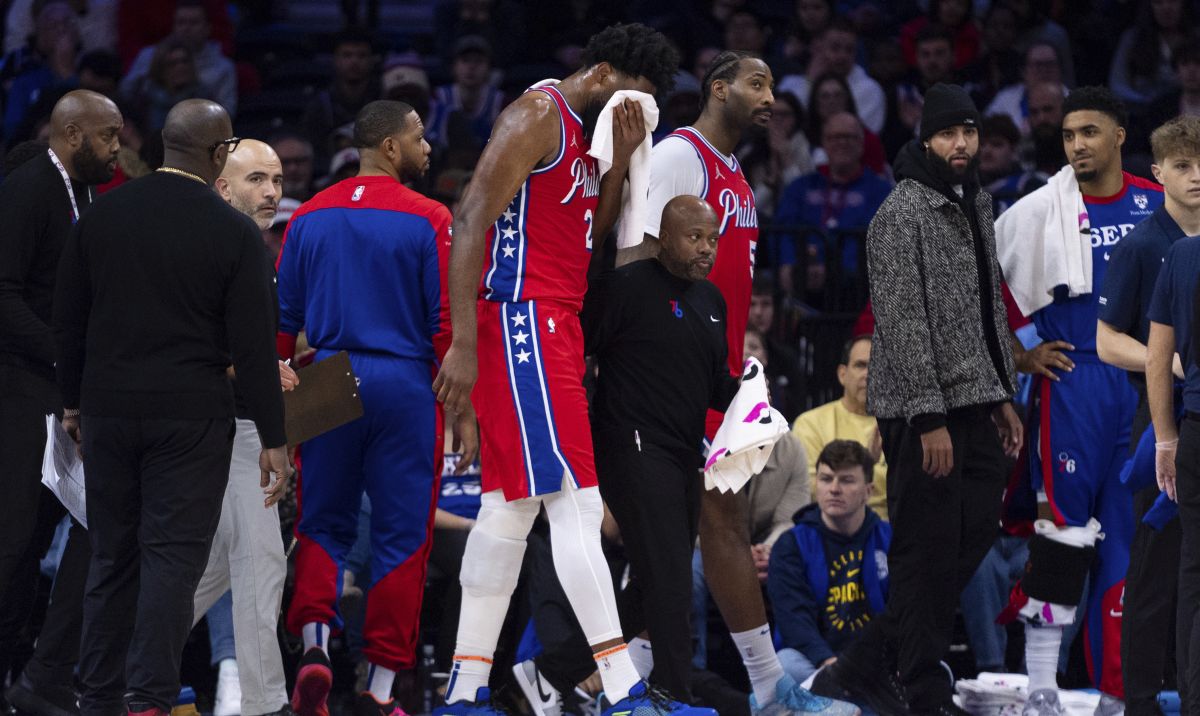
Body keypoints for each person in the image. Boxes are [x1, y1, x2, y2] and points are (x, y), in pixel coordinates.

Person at [429, 23, 696, 716]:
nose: (635, 114)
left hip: (556, 322)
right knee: (576, 501)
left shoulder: (587, 137)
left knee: (508, 509)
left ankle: (461, 690)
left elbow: (589, 233)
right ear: (603, 73)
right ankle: (621, 688)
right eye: (633, 99)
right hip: (520, 318)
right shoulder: (537, 114)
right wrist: (462, 341)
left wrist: (621, 159)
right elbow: (470, 218)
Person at [629, 50, 856, 716]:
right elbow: (636, 256)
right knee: (680, 533)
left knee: (717, 524)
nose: (770, 98)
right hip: (679, 373)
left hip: (728, 379)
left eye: (774, 87)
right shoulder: (679, 156)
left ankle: (765, 689)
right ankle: (639, 686)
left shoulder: (737, 176)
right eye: (757, 85)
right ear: (718, 88)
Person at [53, 98, 291, 716]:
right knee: (170, 561)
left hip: (106, 410)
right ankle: (149, 700)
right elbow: (254, 350)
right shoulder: (234, 232)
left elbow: (68, 322)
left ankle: (95, 695)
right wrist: (274, 437)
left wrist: (73, 405)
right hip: (191, 418)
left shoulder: (101, 215)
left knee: (111, 555)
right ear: (219, 157)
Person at [812, 83, 1023, 716]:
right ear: (926, 139)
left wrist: (1001, 395)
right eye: (948, 133)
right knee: (924, 552)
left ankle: (862, 665)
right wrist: (928, 418)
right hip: (923, 411)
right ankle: (921, 687)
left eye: (969, 131)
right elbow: (900, 322)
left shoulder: (975, 202)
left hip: (976, 400)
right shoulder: (899, 213)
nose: (961, 144)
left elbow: (988, 310)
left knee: (974, 533)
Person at [275, 100, 470, 716]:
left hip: (324, 371)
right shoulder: (430, 215)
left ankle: (314, 648)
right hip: (403, 380)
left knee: (320, 523)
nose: (428, 147)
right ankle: (380, 691)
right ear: (390, 146)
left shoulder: (306, 215)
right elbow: (445, 326)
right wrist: (464, 411)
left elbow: (282, 323)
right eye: (419, 136)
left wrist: (274, 400)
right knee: (401, 536)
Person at [995, 86, 1163, 715]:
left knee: (1128, 541)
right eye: (1068, 136)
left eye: (1089, 132)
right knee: (1061, 532)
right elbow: (991, 288)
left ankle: (1118, 694)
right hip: (1074, 380)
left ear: (1120, 134)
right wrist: (1021, 352)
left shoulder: (1159, 202)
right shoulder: (1040, 208)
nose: (1077, 146)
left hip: (1145, 384)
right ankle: (1042, 682)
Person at [584, 195, 741, 702]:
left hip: (682, 453)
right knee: (671, 575)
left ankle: (546, 671)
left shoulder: (711, 301)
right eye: (695, 237)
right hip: (629, 443)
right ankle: (675, 696)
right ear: (665, 237)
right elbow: (579, 354)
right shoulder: (623, 288)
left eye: (713, 239)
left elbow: (715, 383)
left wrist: (751, 392)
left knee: (656, 581)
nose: (706, 249)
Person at [0, 89, 121, 716]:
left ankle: (32, 676)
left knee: (40, 535)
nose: (117, 148)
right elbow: (4, 292)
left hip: (58, 392)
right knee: (14, 539)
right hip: (21, 389)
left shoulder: (85, 193)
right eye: (108, 137)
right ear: (73, 134)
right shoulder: (30, 189)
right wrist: (60, 353)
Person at [184, 138, 296, 716]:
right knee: (258, 562)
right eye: (256, 179)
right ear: (222, 186)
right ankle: (265, 703)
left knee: (219, 566)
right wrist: (249, 366)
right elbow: (187, 334)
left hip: (237, 422)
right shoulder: (212, 244)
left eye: (275, 179)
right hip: (220, 426)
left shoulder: (250, 246)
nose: (272, 191)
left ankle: (115, 664)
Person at [1116, 116, 1200, 716]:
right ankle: (1141, 698)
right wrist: (1167, 367)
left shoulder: (1186, 252)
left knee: (1191, 574)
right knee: (1156, 570)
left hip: (1182, 421)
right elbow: (1106, 340)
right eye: (1183, 166)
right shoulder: (1148, 245)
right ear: (1158, 175)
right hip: (1165, 420)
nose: (1196, 177)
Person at [769, 440, 891, 684]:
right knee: (784, 666)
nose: (834, 489)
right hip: (818, 665)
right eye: (826, 479)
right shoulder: (791, 544)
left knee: (937, 669)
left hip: (877, 662)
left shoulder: (890, 540)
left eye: (846, 480)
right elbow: (795, 620)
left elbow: (904, 611)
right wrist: (831, 665)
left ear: (869, 490)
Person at [772, 112, 891, 301]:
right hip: (798, 280)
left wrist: (832, 269)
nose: (841, 143)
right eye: (834, 137)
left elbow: (879, 242)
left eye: (848, 137)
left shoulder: (881, 191)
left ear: (861, 143)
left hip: (853, 288)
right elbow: (782, 231)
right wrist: (789, 262)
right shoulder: (800, 187)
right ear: (824, 143)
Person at [791, 335, 888, 520]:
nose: (869, 374)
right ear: (842, 374)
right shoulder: (811, 423)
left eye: (878, 366)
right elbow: (811, 489)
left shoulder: (901, 426)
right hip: (831, 531)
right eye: (861, 365)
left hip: (891, 531)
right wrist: (869, 465)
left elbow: (907, 489)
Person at [119, 0, 237, 117]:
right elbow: (126, 94)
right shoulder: (148, 56)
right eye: (181, 22)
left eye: (193, 23)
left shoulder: (223, 67)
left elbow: (226, 113)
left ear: (207, 28)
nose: (186, 28)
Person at [778, 19, 886, 134]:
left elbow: (857, 136)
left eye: (849, 50)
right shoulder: (789, 84)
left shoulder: (870, 90)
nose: (842, 56)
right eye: (835, 48)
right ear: (817, 48)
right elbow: (784, 129)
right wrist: (810, 82)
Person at [300, 26, 379, 178]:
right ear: (335, 60)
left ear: (371, 61)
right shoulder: (319, 106)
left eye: (361, 56)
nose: (354, 62)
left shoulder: (383, 103)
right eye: (347, 55)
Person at [985, 42, 1066, 139]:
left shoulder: (1073, 99)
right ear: (1023, 71)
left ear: (1060, 69)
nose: (1044, 70)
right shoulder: (1004, 99)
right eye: (1038, 65)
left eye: (1050, 64)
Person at [978, 114, 1046, 216]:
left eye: (996, 144)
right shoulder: (963, 190)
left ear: (1014, 150)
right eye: (982, 144)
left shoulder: (1031, 186)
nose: (987, 151)